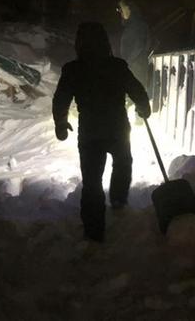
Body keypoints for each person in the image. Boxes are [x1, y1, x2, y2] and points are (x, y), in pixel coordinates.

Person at [53, 22, 151, 242]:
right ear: (105, 42)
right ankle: (118, 200)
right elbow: (136, 89)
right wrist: (143, 105)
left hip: (90, 133)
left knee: (92, 180)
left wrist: (60, 122)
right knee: (123, 163)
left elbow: (61, 99)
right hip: (116, 128)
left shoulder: (73, 69)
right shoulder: (116, 66)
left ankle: (94, 230)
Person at [117, 0, 152, 87]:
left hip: (136, 67)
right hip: (132, 66)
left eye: (121, 8)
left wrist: (128, 63)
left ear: (129, 8)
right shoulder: (129, 26)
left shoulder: (138, 25)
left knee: (136, 94)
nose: (120, 11)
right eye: (119, 9)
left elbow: (139, 46)